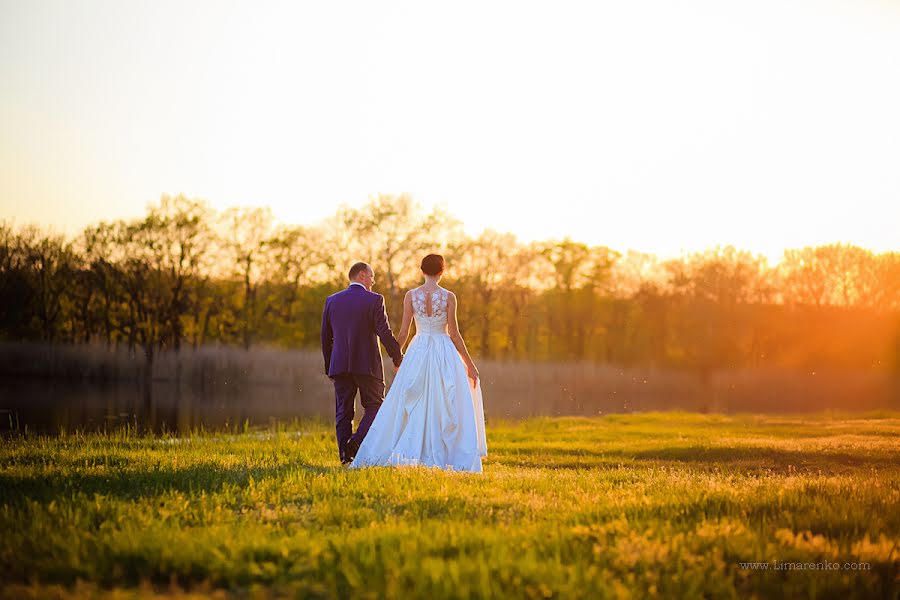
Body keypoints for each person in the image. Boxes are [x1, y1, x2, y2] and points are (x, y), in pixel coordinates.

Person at [350, 254, 487, 473]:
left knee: (412, 399)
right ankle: (443, 453)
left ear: (422, 271)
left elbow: (403, 332)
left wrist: (397, 355)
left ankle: (410, 451)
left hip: (419, 349)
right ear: (442, 272)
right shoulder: (449, 297)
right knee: (444, 401)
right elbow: (454, 333)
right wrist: (469, 364)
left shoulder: (411, 296)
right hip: (444, 351)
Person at [321, 262, 403, 465]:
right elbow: (384, 332)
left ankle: (345, 456)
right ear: (362, 274)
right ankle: (355, 444)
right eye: (372, 276)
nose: (373, 281)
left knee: (343, 411)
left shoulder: (332, 301)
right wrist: (397, 357)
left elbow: (325, 338)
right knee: (375, 406)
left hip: (339, 366)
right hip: (367, 365)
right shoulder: (374, 300)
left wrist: (329, 367)